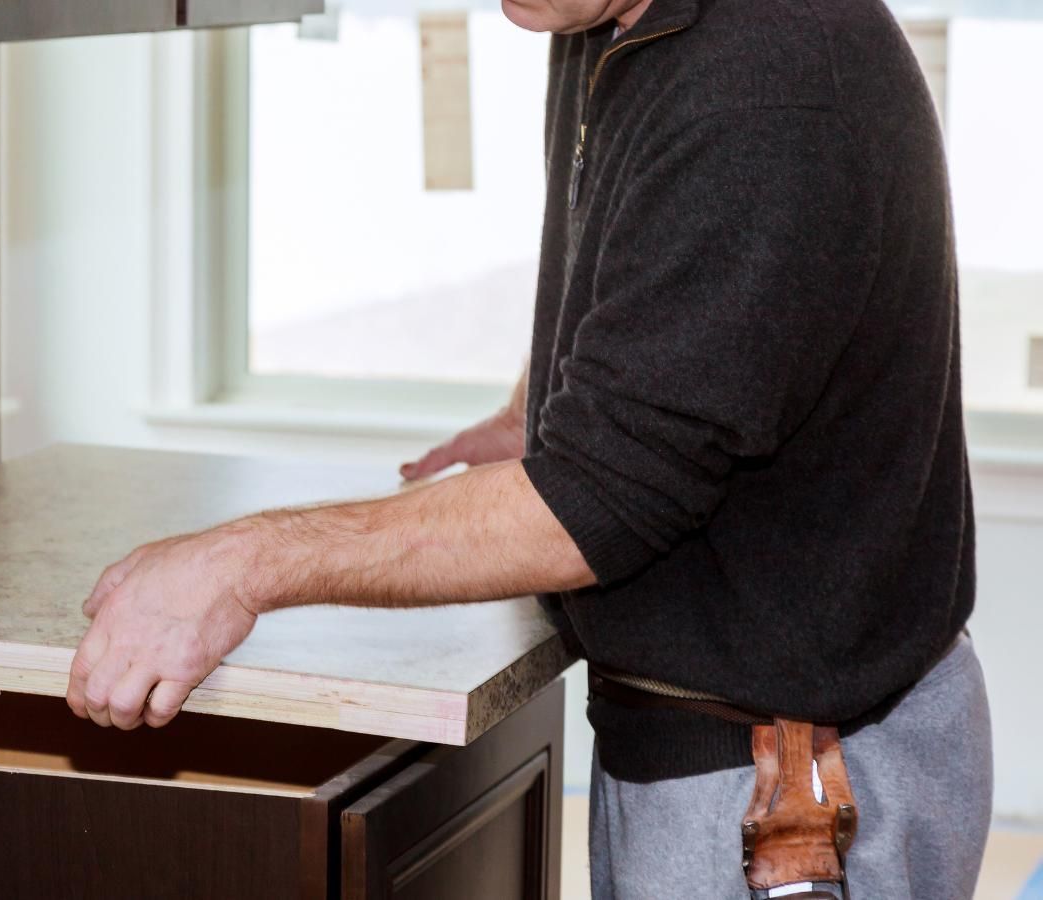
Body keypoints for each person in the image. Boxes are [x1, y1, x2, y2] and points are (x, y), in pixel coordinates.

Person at [65, 0, 993, 894]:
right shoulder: (615, 16)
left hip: (788, 787)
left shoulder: (767, 91)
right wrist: (542, 400)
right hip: (728, 739)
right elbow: (659, 263)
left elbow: (595, 505)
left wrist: (240, 564)